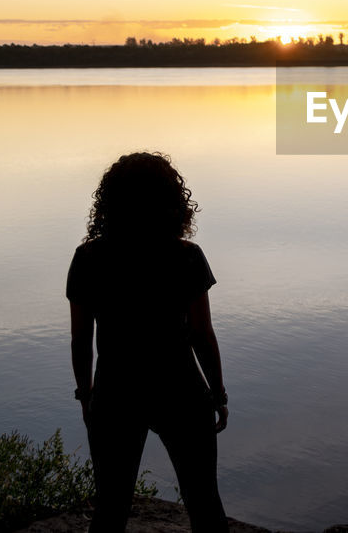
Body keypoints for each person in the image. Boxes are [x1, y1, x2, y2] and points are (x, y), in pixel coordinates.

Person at [67, 152, 229, 532]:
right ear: (172, 202)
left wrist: (87, 394)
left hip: (116, 391)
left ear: (109, 201)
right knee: (205, 505)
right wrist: (217, 393)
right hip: (181, 390)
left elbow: (80, 339)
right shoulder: (186, 257)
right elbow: (202, 335)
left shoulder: (88, 258)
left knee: (111, 508)